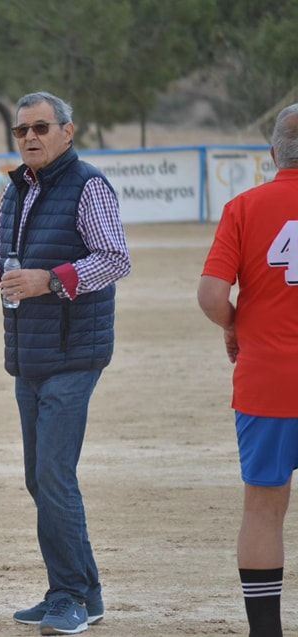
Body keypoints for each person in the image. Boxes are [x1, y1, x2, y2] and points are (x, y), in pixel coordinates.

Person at [0, 91, 130, 636]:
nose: (30, 137)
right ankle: (85, 591)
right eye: (21, 130)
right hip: (30, 353)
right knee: (41, 478)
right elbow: (6, 259)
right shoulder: (15, 192)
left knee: (53, 475)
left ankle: (69, 596)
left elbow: (114, 257)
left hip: (74, 352)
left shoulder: (89, 186)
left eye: (40, 127)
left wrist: (52, 280)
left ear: (67, 132)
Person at [198, 103, 298, 637]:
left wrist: (236, 326)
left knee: (263, 508)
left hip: (268, 380)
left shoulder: (245, 206)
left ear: (272, 154)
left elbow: (211, 294)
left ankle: (266, 632)